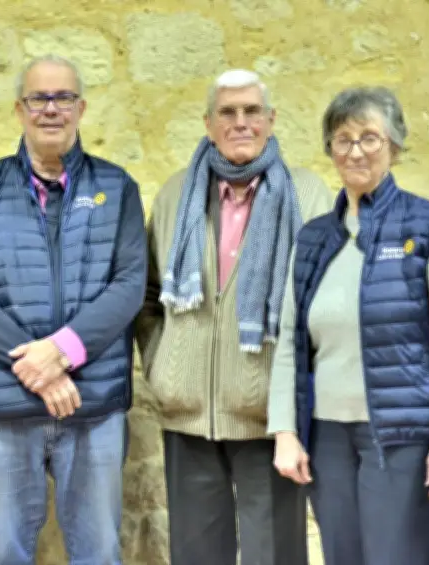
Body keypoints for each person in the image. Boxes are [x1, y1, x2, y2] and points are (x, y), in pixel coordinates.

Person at [0, 54, 146, 565]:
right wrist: (36, 368)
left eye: (63, 98)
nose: (51, 109)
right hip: (6, 405)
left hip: (93, 406)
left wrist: (61, 351)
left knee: (99, 552)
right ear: (20, 109)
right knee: (3, 551)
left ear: (81, 108)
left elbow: (128, 285)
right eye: (39, 98)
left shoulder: (117, 187)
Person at [136, 69, 333, 565]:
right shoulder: (175, 194)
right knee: (196, 554)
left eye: (252, 111)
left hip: (270, 414)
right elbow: (148, 293)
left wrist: (299, 397)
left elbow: (320, 304)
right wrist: (166, 360)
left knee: (276, 554)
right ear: (208, 123)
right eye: (228, 112)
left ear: (271, 120)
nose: (240, 122)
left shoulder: (307, 195)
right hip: (188, 412)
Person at [268, 86, 429, 565]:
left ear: (395, 146)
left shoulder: (424, 226)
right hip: (326, 436)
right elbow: (289, 341)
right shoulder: (314, 237)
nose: (355, 150)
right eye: (343, 139)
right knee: (343, 555)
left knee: (396, 556)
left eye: (369, 138)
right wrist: (285, 430)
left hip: (401, 435)